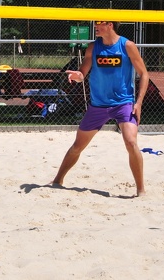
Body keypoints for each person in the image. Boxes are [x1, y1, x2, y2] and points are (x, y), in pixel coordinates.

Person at [51, 21, 149, 196]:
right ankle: (58, 180)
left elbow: (144, 74)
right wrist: (77, 75)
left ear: (110, 25)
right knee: (77, 146)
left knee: (131, 142)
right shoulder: (93, 47)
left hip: (123, 103)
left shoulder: (127, 45)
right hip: (98, 105)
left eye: (99, 24)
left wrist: (139, 102)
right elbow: (83, 73)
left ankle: (141, 190)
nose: (95, 27)